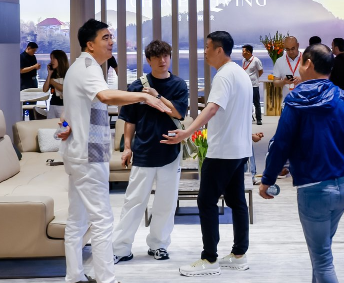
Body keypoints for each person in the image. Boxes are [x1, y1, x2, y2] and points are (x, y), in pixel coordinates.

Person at [57, 19, 171, 283]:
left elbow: (68, 112)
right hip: (88, 156)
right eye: (106, 38)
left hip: (78, 153)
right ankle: (106, 279)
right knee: (102, 220)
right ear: (90, 44)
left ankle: (74, 276)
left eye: (111, 37)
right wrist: (144, 96)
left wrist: (65, 126)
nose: (111, 42)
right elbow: (105, 96)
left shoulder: (78, 67)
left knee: (77, 220)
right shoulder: (88, 68)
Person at [260, 43, 344, 283]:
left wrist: (267, 178)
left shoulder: (296, 100)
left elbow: (282, 143)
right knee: (321, 252)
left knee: (322, 259)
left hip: (313, 189)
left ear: (309, 64)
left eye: (302, 62)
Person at [162, 31, 253, 277]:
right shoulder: (240, 73)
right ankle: (239, 255)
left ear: (219, 50)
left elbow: (211, 108)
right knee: (237, 201)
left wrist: (186, 132)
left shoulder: (224, 75)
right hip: (240, 150)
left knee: (206, 201)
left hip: (223, 151)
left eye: (208, 47)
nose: (205, 52)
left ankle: (209, 259)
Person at [113, 40, 189, 264]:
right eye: (157, 57)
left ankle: (159, 245)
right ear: (148, 60)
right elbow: (129, 120)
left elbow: (178, 113)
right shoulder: (137, 86)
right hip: (144, 150)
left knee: (166, 202)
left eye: (165, 56)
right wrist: (127, 147)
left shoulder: (178, 85)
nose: (162, 61)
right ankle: (121, 248)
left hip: (170, 151)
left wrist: (156, 96)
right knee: (134, 201)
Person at [272, 36, 302, 102]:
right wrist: (284, 82)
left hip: (305, 101)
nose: (290, 52)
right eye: (287, 49)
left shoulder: (307, 59)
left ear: (298, 45)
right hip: (287, 101)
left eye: (293, 48)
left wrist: (302, 79)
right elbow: (275, 82)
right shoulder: (279, 61)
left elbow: (315, 79)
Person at [241, 44, 264, 125]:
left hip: (254, 85)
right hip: (245, 85)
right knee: (246, 102)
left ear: (248, 52)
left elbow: (261, 71)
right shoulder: (243, 61)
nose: (242, 53)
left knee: (256, 103)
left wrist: (255, 78)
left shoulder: (256, 60)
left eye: (243, 51)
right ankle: (247, 118)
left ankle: (259, 119)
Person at [43, 49, 69, 119]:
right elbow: (45, 89)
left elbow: (64, 88)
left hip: (63, 105)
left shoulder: (68, 73)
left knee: (62, 124)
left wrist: (52, 82)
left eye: (54, 58)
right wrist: (49, 74)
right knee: (50, 124)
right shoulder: (53, 74)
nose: (52, 61)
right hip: (53, 103)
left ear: (60, 59)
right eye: (51, 58)